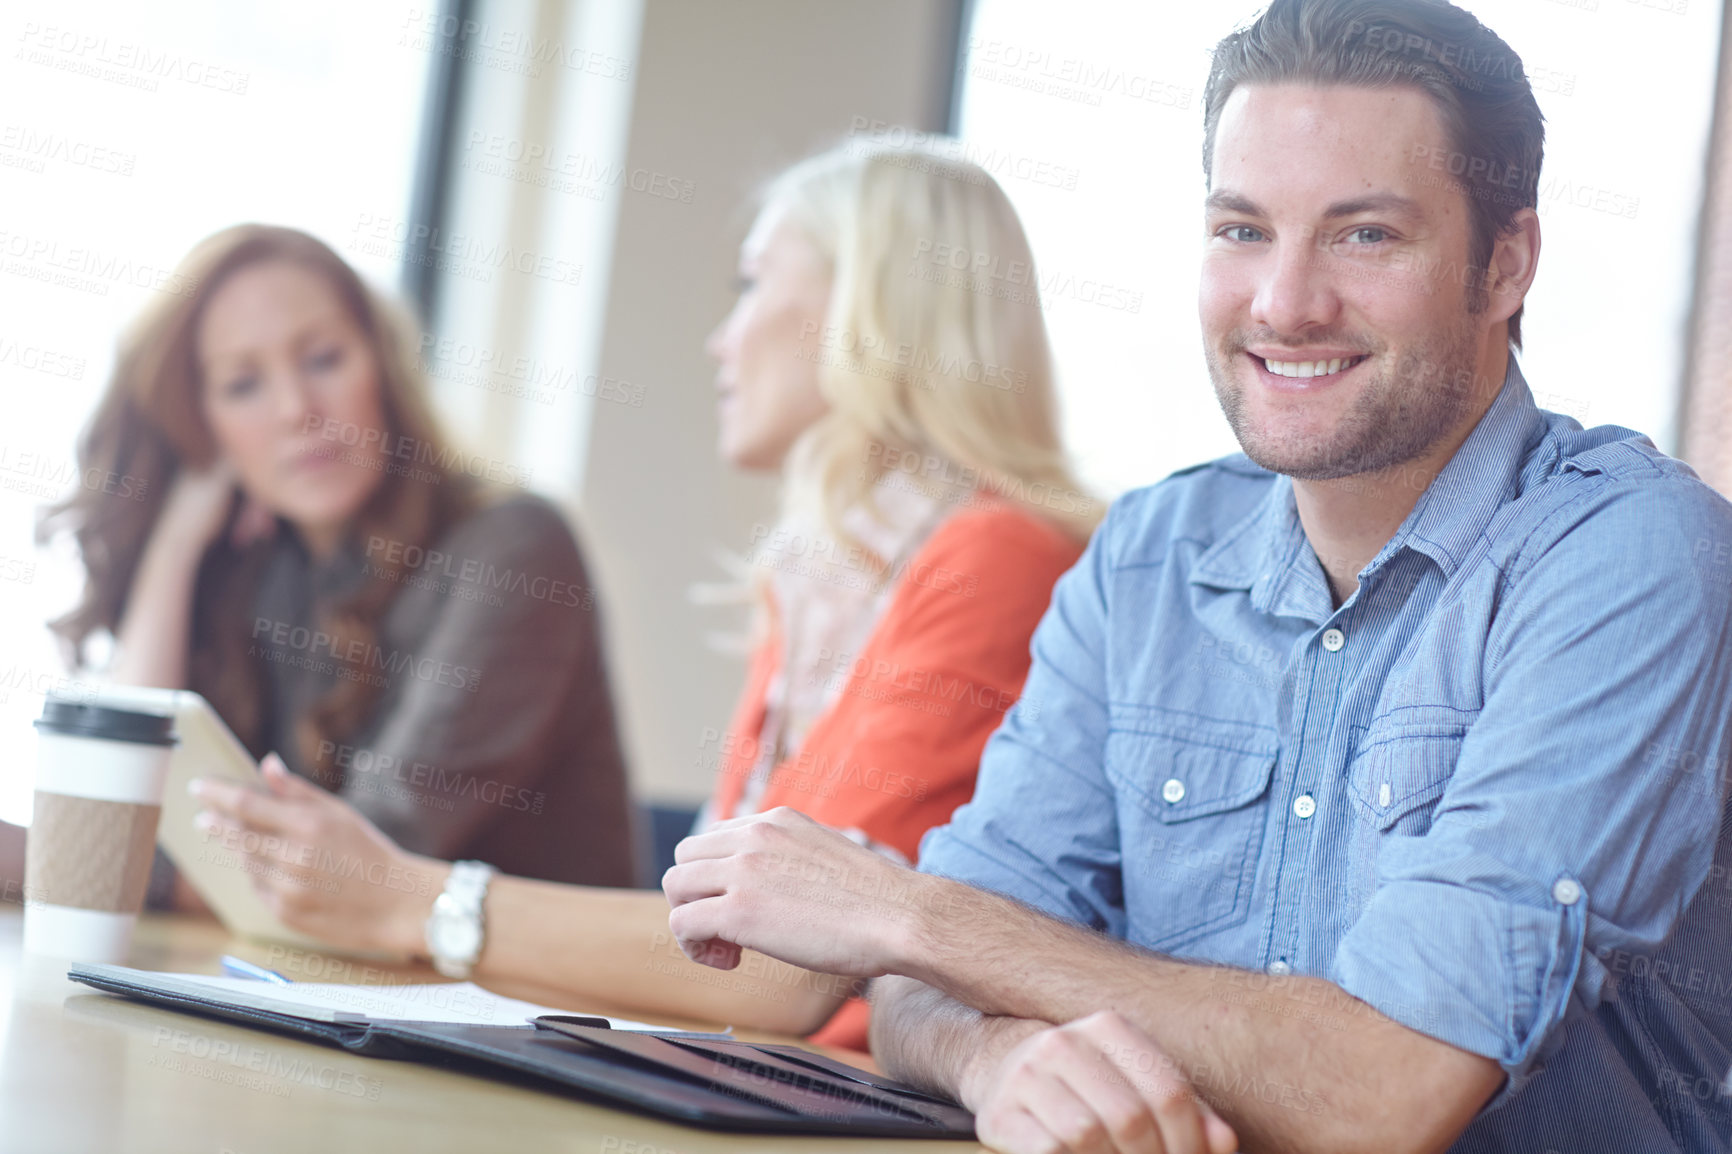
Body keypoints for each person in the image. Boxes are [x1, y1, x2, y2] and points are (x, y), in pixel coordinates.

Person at [661, 2, 1732, 1151]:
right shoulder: (1148, 556)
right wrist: (1004, 1056)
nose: (1283, 303)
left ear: (1504, 263)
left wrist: (911, 911)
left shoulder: (1628, 554)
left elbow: (1388, 1087)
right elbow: (920, 998)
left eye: (1364, 235)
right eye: (1241, 230)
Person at [191, 142, 1100, 1046]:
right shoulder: (815, 583)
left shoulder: (994, 558)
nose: (720, 339)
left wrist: (409, 899)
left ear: (869, 310)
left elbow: (781, 970)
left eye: (750, 287)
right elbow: (714, 952)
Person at [9, 224, 637, 907]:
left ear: (383, 367)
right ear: (205, 426)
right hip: (342, 994)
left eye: (325, 359)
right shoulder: (269, 576)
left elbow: (354, 866)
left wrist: (56, 859)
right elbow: (137, 797)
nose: (296, 410)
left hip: (534, 1007)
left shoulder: (516, 549)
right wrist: (176, 544)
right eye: (244, 384)